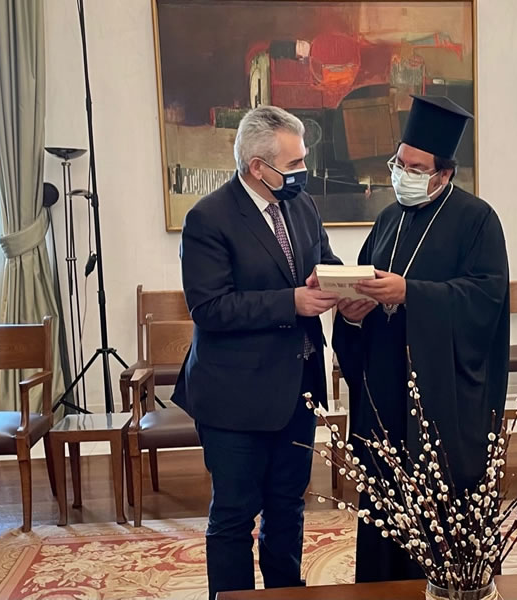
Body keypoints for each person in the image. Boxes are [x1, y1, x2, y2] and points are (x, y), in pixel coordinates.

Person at [332, 95, 510, 583]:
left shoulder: (477, 220)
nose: (402, 175)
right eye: (398, 163)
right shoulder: (389, 218)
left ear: (443, 174)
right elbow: (366, 283)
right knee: (386, 504)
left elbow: (486, 298)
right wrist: (352, 313)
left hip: (442, 396)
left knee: (440, 511)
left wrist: (411, 293)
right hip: (385, 389)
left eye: (415, 168)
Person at [172, 105, 341, 600]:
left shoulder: (301, 204)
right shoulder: (208, 218)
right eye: (294, 164)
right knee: (234, 515)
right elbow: (210, 308)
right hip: (235, 396)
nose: (303, 171)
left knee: (287, 507)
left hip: (298, 389)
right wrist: (291, 301)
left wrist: (341, 282)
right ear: (257, 167)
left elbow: (324, 261)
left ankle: (286, 595)